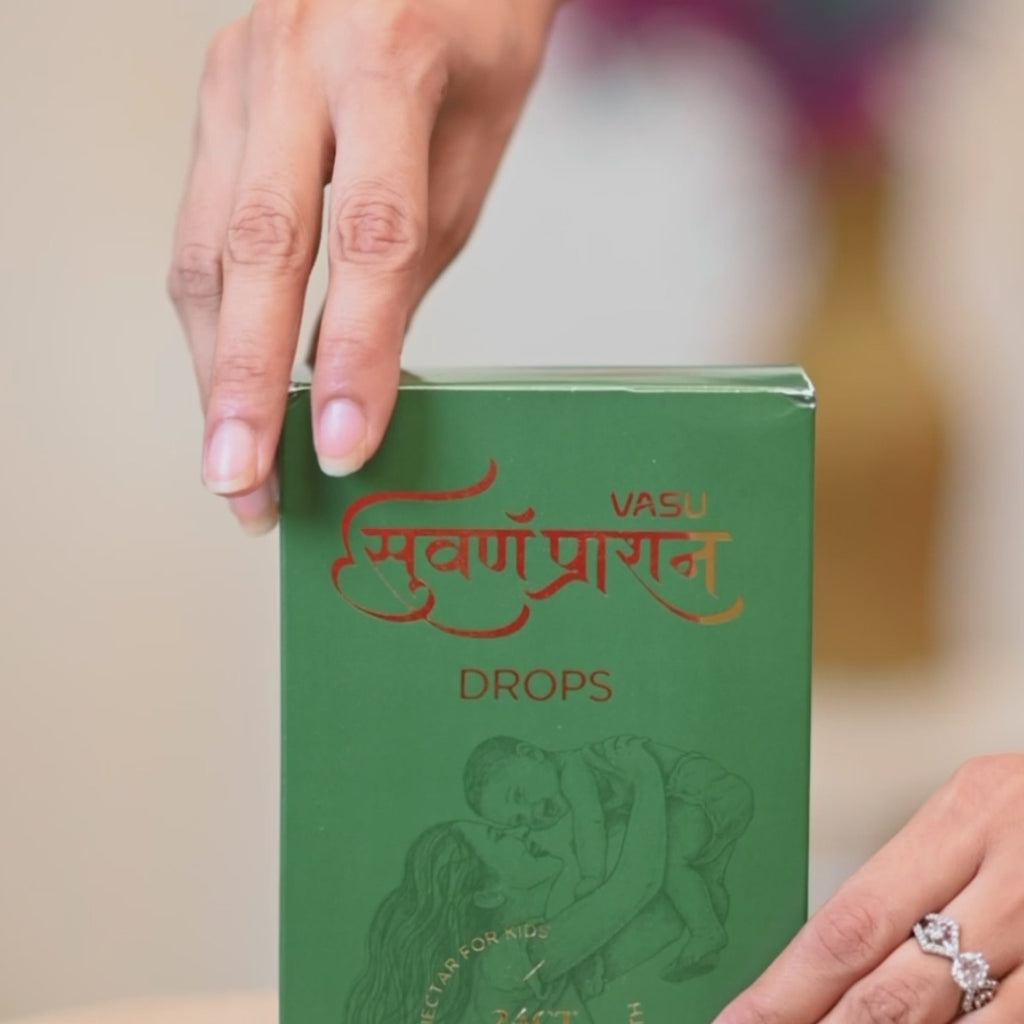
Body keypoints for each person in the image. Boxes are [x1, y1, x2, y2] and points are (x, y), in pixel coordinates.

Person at [169, 4, 1024, 1021]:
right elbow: (630, 877)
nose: (537, 829)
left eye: (530, 813)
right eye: (519, 827)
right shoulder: (522, 925)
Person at [345, 735, 668, 1024]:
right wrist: (646, 776)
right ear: (488, 894)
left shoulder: (525, 951)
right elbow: (637, 884)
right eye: (499, 835)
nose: (522, 831)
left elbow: (663, 924)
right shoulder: (507, 958)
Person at [462, 734, 753, 977]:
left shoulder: (575, 769)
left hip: (699, 791)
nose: (531, 815)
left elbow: (590, 823)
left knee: (668, 860)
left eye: (519, 796)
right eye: (519, 820)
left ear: (531, 754)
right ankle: (709, 932)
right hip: (710, 799)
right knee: (701, 875)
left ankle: (706, 932)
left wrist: (592, 877)